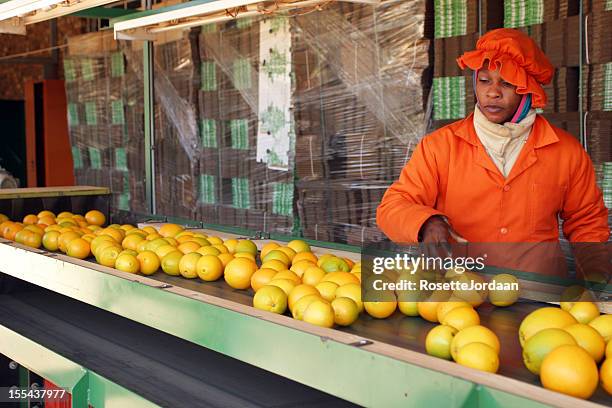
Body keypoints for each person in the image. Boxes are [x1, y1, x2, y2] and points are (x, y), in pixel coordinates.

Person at [376, 28, 609, 247]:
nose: (492, 92)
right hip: (459, 284)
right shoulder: (439, 146)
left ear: (528, 89)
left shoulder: (566, 152)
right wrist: (425, 222)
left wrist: (592, 276)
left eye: (507, 83)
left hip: (537, 288)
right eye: (484, 80)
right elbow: (393, 207)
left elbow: (587, 222)